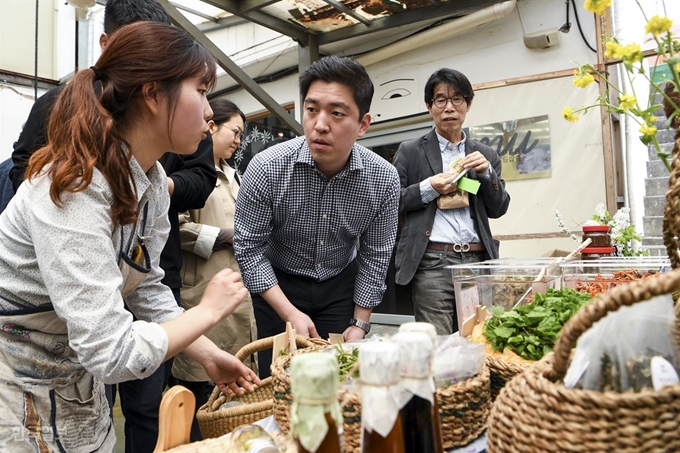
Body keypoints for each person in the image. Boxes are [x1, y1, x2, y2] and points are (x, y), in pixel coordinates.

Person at [0, 22, 260, 452]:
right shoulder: (73, 187)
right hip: (14, 381)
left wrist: (209, 354)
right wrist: (206, 312)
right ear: (154, 94)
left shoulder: (153, 180)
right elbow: (111, 351)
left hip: (74, 381)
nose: (210, 112)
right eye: (200, 90)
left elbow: (146, 288)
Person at [234, 55, 401, 378]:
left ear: (363, 124)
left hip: (339, 284)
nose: (320, 124)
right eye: (312, 110)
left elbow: (375, 256)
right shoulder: (267, 168)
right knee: (281, 380)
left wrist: (360, 323)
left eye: (337, 113)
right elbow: (248, 249)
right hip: (277, 284)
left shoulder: (383, 179)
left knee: (336, 379)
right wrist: (287, 312)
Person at [392, 68, 510, 336]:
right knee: (440, 342)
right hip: (433, 261)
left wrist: (486, 173)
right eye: (440, 99)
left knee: (478, 337)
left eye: (457, 99)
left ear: (468, 104)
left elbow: (499, 208)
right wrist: (428, 187)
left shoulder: (485, 154)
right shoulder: (410, 151)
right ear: (429, 106)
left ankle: (477, 380)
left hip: (477, 260)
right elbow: (393, 200)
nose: (449, 107)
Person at [172, 98, 256, 441]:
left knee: (233, 389)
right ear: (211, 126)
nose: (238, 140)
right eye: (234, 132)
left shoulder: (234, 176)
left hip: (234, 285)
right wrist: (222, 236)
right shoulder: (192, 173)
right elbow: (173, 227)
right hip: (202, 285)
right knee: (199, 385)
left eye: (241, 135)